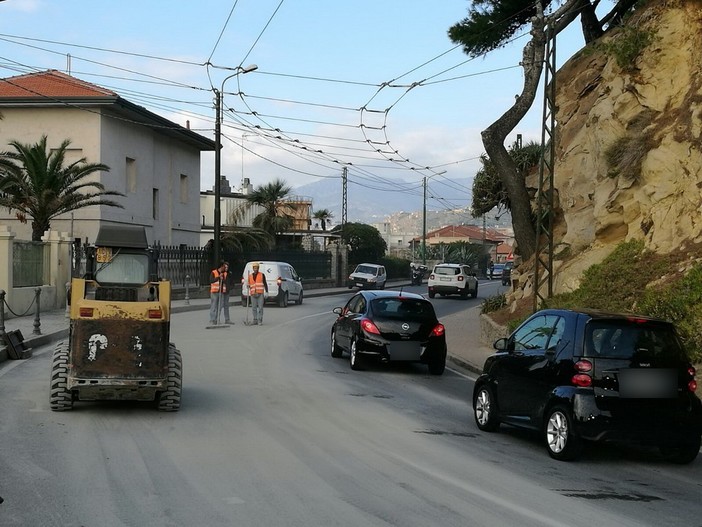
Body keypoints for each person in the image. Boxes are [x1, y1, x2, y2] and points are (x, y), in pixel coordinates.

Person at [208, 261, 233, 325]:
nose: (225, 268)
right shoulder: (214, 272)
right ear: (221, 267)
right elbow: (211, 281)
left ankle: (216, 319)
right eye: (224, 267)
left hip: (220, 292)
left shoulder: (224, 273)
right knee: (214, 306)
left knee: (219, 306)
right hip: (214, 292)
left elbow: (226, 282)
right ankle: (212, 319)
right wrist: (218, 277)